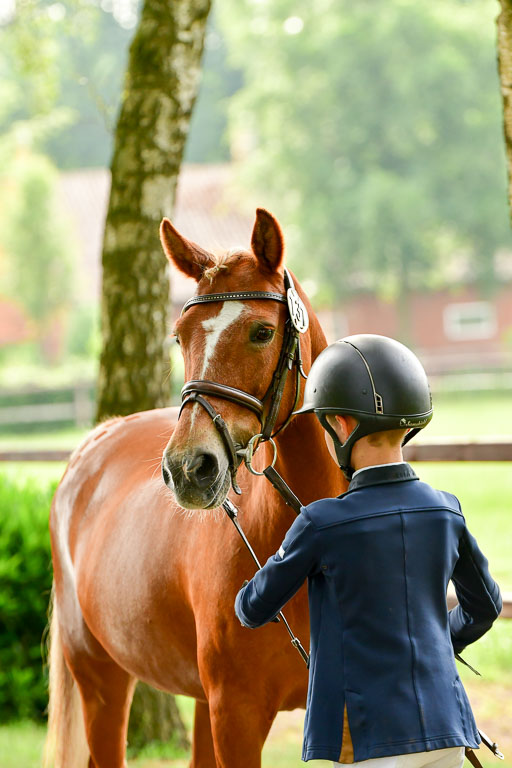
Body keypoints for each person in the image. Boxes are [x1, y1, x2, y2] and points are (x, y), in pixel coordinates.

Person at [234, 334, 502, 767]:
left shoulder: (320, 522)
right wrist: (438, 642)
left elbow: (252, 608)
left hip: (368, 737)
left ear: (340, 425)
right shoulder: (445, 511)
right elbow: (485, 606)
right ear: (409, 425)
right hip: (447, 728)